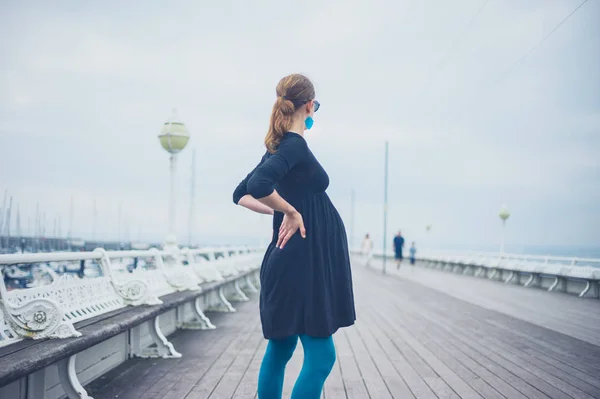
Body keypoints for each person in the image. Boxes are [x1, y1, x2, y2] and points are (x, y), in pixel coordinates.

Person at [232, 73, 356, 399]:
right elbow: (257, 187)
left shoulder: (277, 148)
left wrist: (280, 209)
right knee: (321, 358)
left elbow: (240, 194)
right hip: (302, 265)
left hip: (292, 262)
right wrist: (288, 210)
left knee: (281, 350)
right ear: (309, 106)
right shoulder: (294, 145)